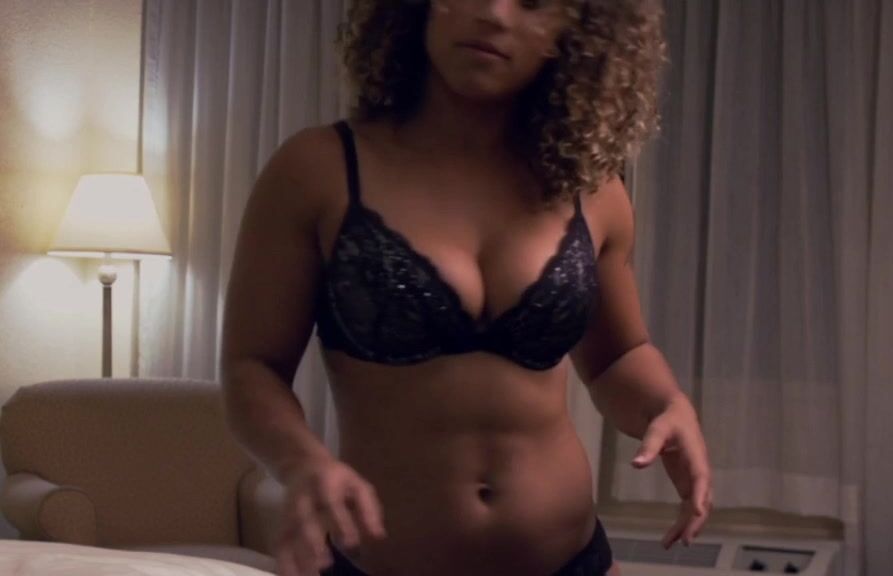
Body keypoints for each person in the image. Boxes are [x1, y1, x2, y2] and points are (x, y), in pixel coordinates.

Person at [218, 0, 712, 574]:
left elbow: (617, 358)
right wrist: (302, 463)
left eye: (532, 2)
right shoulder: (318, 170)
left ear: (572, 32)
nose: (495, 13)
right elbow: (253, 367)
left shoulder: (594, 190)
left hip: (572, 560)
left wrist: (668, 405)